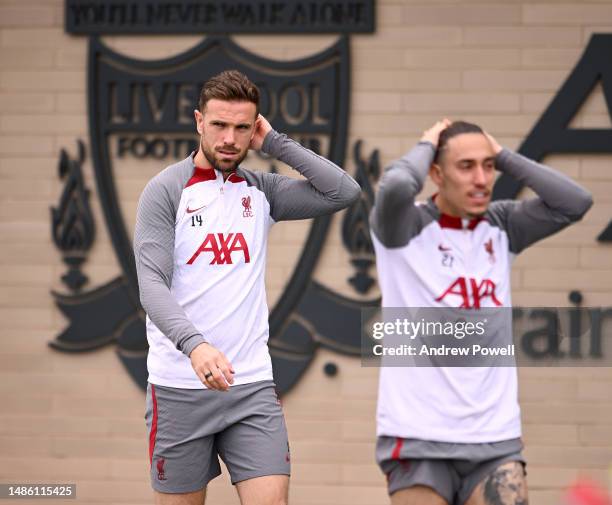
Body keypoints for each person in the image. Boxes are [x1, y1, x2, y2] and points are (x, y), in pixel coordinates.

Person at [134, 69, 360, 505]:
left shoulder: (261, 190)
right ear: (199, 121)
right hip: (179, 387)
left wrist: (275, 143)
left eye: (242, 127)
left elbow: (343, 192)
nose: (229, 139)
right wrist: (195, 346)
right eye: (219, 125)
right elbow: (151, 285)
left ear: (255, 127)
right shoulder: (165, 191)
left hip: (251, 384)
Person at [370, 119, 593, 505]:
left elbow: (575, 202)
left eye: (488, 166)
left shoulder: (501, 224)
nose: (482, 179)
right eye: (466, 166)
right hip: (418, 437)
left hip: (495, 439)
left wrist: (504, 154)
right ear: (436, 174)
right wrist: (427, 144)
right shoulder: (402, 226)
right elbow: (394, 187)